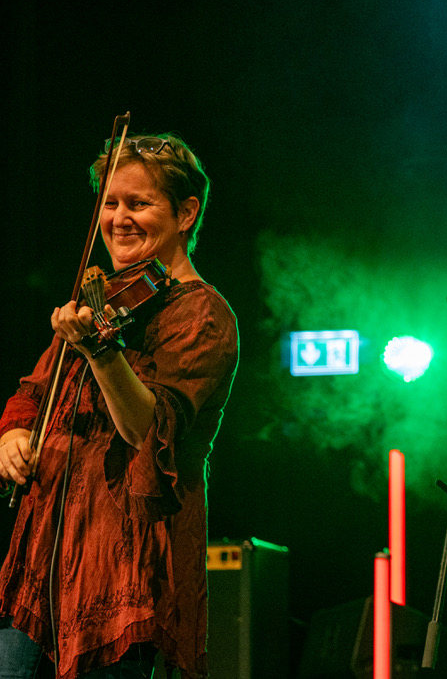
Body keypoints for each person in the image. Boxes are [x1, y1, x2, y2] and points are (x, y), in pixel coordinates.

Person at [0, 134, 239, 678]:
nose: (118, 218)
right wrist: (13, 435)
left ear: (185, 214)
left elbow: (147, 430)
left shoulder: (202, 315)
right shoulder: (102, 301)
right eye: (110, 203)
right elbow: (32, 393)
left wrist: (102, 351)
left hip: (121, 577)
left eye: (138, 203)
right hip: (44, 564)